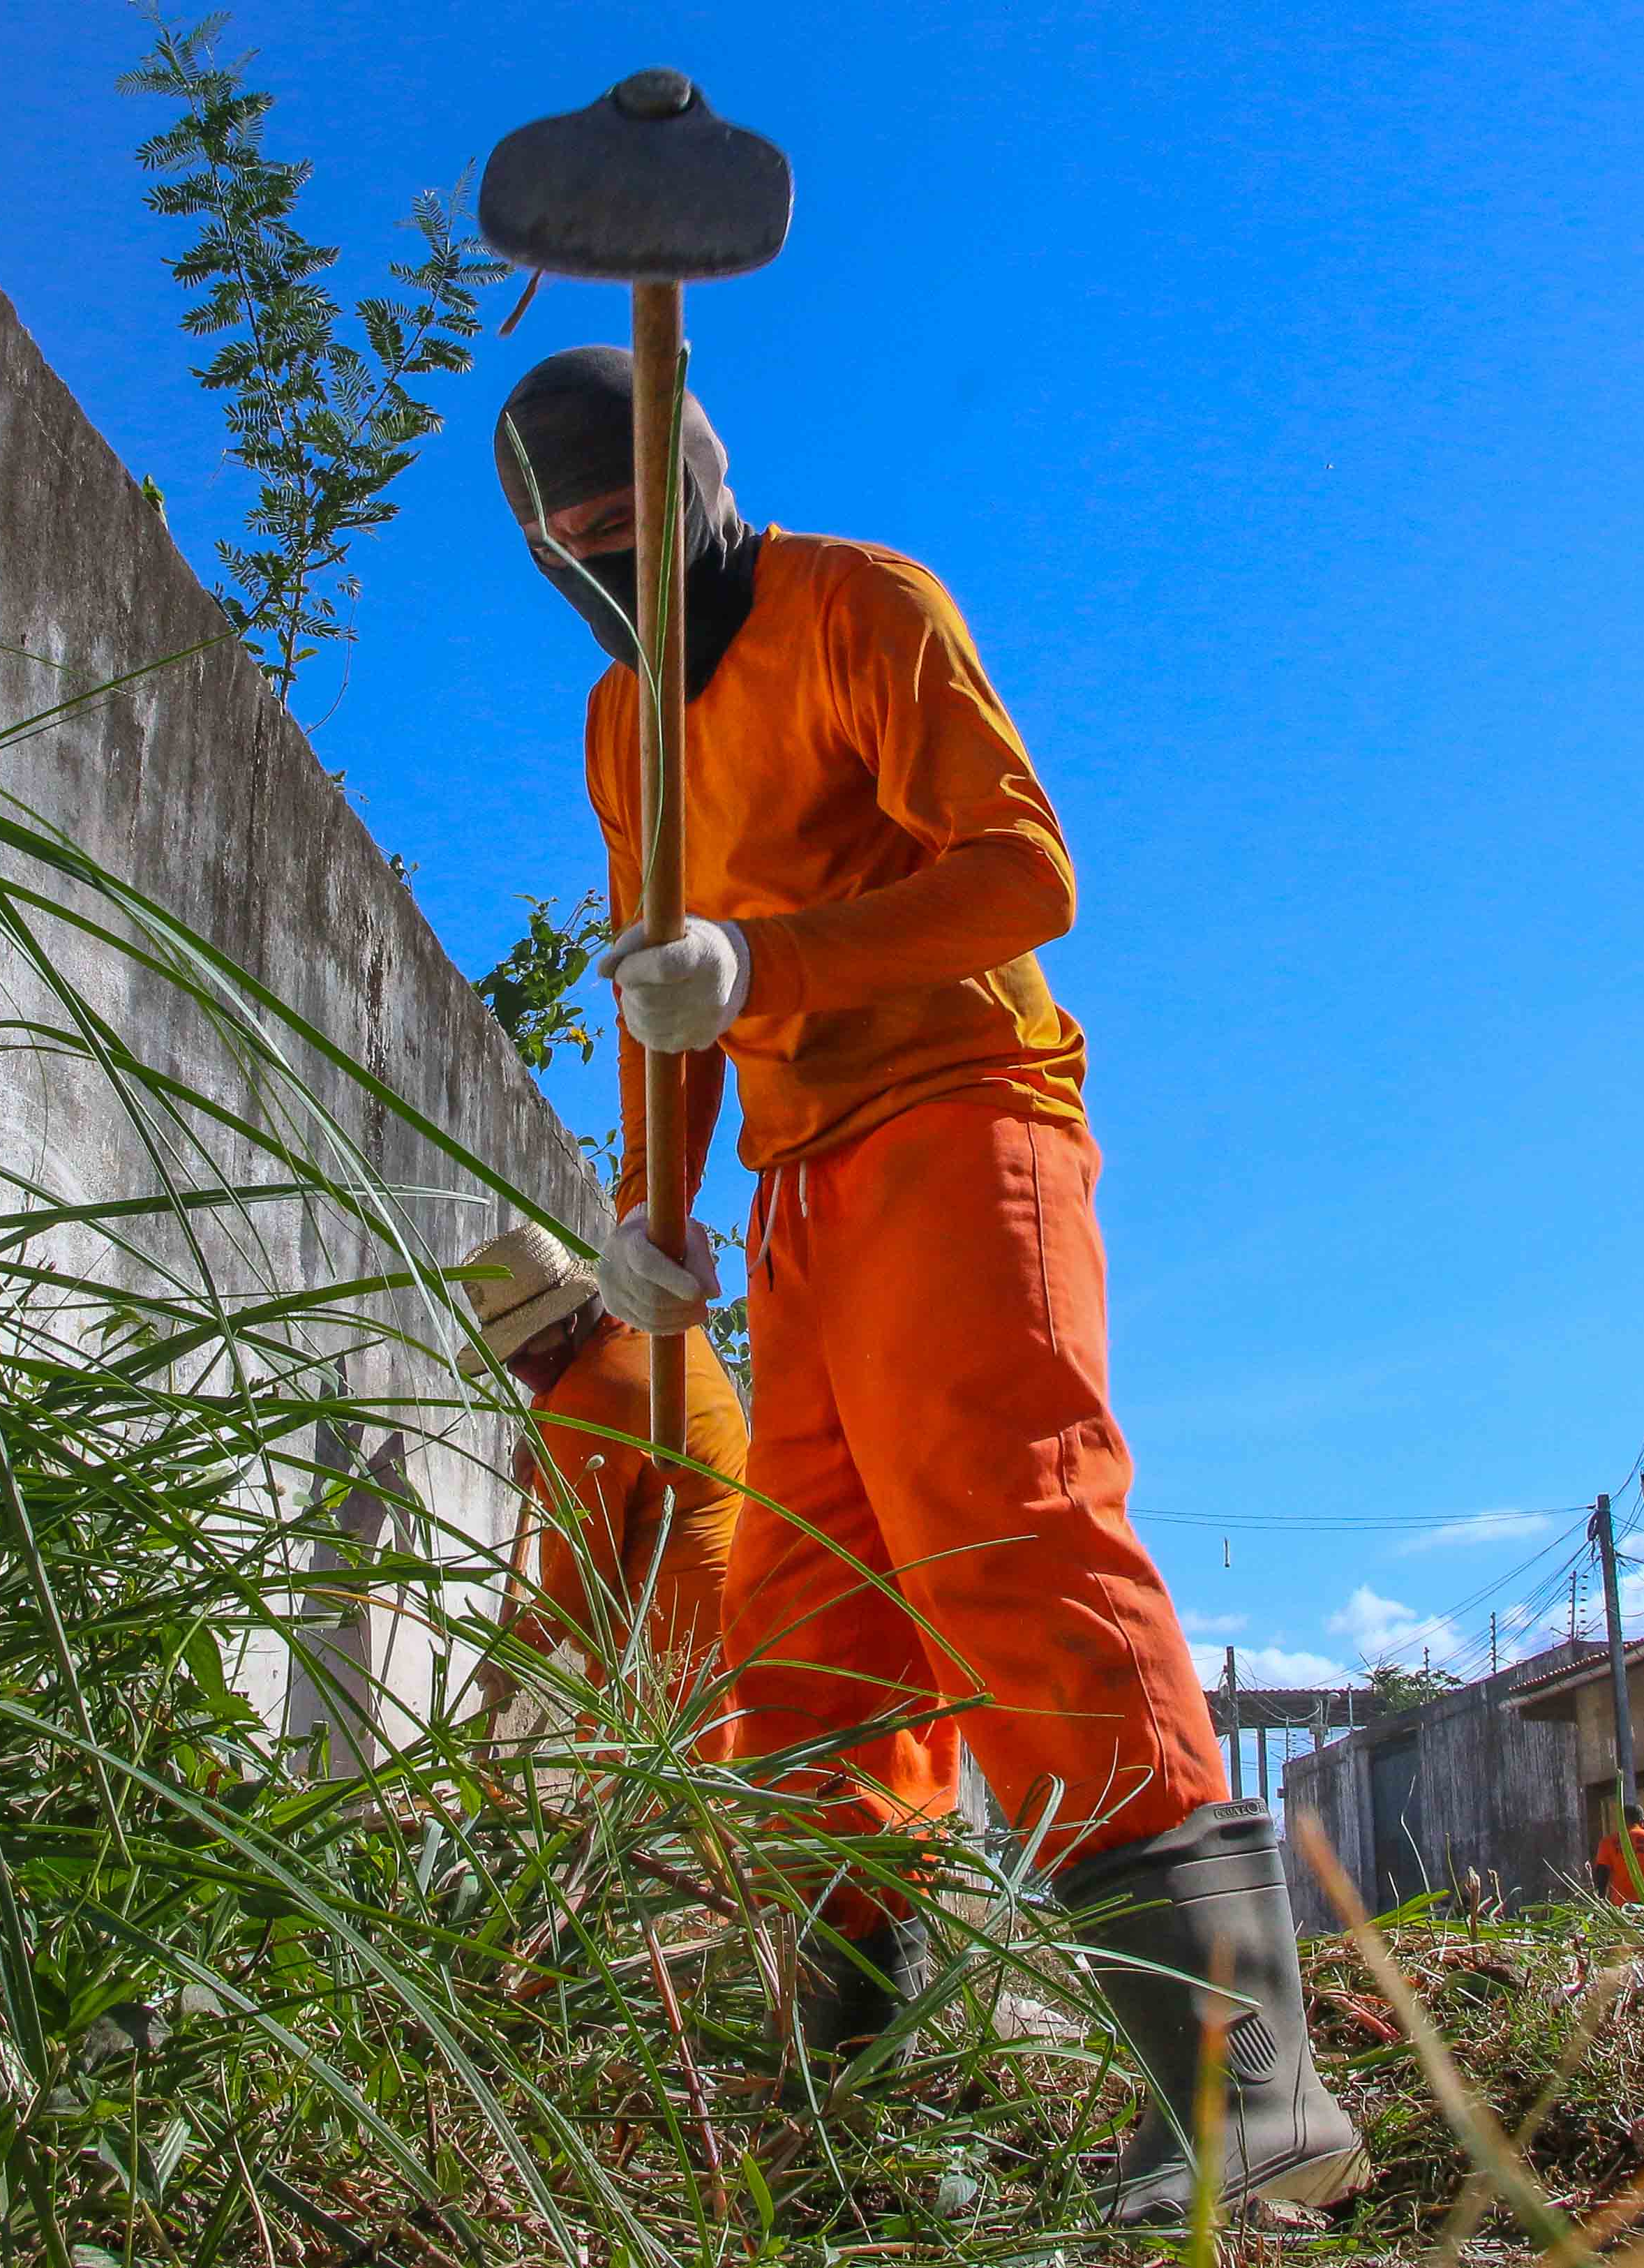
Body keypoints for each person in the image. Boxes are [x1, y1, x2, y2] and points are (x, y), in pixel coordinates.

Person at [495, 345, 1361, 2223]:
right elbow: (665, 981)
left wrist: (760, 962)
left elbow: (1021, 877)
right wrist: (653, 1210)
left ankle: (1247, 2086)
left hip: (964, 1116)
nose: (612, 576)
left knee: (1008, 1532)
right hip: (798, 1193)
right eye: (572, 555)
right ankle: (834, 2093)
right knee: (805, 1637)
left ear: (699, 483)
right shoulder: (619, 725)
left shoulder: (855, 607)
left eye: (633, 530)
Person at [453, 1221, 744, 1707]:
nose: (521, 1374)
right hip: (727, 1598)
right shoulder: (655, 1328)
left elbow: (582, 1572)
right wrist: (539, 1424)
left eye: (523, 1355)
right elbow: (597, 1383)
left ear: (565, 1319)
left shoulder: (593, 1397)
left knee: (651, 1775)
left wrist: (517, 1651)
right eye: (509, 1362)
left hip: (666, 1635)